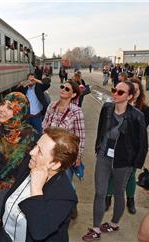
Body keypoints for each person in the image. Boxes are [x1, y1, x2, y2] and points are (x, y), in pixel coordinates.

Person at [0, 127, 78, 242]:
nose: (32, 152)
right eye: (36, 146)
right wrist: (6, 216)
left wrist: (36, 189)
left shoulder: (64, 196)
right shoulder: (30, 163)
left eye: (39, 151)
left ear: (55, 164)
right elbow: (14, 194)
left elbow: (39, 231)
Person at [82, 81, 148, 241]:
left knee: (119, 193)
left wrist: (135, 164)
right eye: (114, 90)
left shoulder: (137, 115)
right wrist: (98, 147)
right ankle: (96, 228)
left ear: (130, 96)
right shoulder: (107, 108)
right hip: (104, 157)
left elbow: (143, 143)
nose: (115, 94)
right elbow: (101, 129)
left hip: (123, 162)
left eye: (120, 92)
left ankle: (114, 223)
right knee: (100, 193)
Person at [0, 92, 38, 201]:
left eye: (9, 107)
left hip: (11, 196)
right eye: (2, 104)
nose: (1, 109)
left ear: (20, 111)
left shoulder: (31, 137)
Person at [106, 78, 149, 214]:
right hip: (114, 147)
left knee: (130, 176)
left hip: (131, 150)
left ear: (137, 93)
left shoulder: (144, 109)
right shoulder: (116, 105)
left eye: (136, 90)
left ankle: (130, 200)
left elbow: (142, 135)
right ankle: (108, 198)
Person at [42, 80, 85, 219]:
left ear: (73, 95)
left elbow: (80, 136)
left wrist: (78, 156)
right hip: (49, 152)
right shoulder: (52, 106)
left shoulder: (76, 112)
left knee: (65, 183)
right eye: (62, 87)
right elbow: (44, 125)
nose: (63, 90)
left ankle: (72, 203)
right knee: (48, 182)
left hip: (65, 155)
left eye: (67, 89)